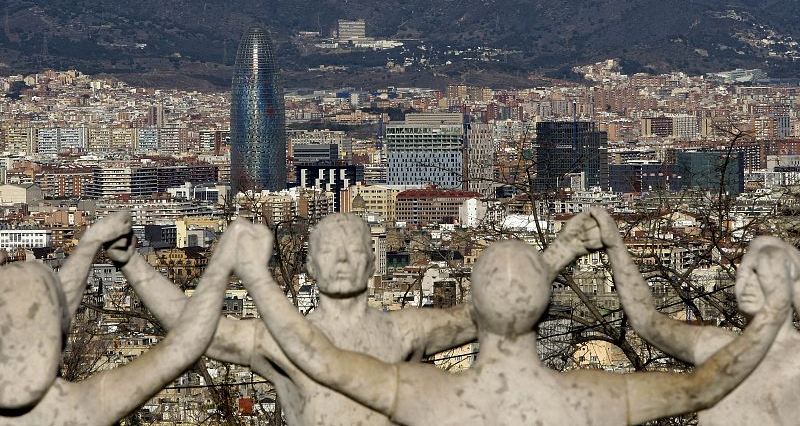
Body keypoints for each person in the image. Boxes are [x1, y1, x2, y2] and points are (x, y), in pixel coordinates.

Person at [234, 219, 791, 426]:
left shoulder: (428, 396)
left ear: (472, 305)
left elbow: (317, 357)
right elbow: (702, 386)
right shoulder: (591, 400)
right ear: (543, 304)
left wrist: (258, 278)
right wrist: (772, 315)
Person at [105, 211, 603, 426]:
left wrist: (561, 252)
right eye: (329, 250)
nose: (342, 259)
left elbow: (488, 313)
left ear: (371, 260)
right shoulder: (278, 341)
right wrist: (131, 262)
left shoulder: (403, 330)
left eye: (353, 248)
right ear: (311, 265)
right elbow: (193, 327)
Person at [0, 212, 238, 426]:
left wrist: (91, 244)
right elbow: (187, 342)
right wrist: (127, 261)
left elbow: (57, 308)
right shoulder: (74, 408)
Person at [591, 209, 800, 426]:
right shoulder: (716, 346)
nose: (747, 283)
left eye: (761, 274)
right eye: (744, 273)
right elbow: (646, 321)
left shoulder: (795, 358)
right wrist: (615, 247)